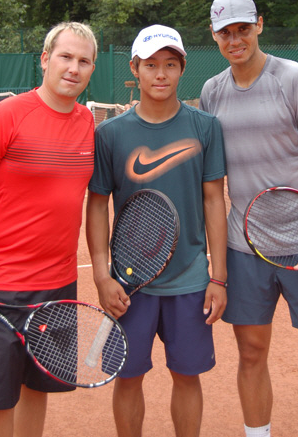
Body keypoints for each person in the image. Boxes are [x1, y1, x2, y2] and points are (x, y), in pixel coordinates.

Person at [199, 0, 298, 437]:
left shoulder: (295, 79)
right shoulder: (212, 92)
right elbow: (212, 181)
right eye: (225, 32)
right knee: (250, 354)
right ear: (214, 36)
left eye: (243, 28)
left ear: (259, 24)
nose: (235, 39)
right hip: (245, 250)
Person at [0, 22, 97, 437]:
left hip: (59, 286)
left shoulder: (88, 123)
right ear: (45, 60)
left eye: (84, 61)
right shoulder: (6, 117)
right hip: (0, 288)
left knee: (38, 388)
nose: (74, 68)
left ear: (91, 70)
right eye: (65, 57)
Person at [86, 24, 228, 437]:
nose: (160, 74)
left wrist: (218, 276)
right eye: (151, 65)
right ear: (136, 69)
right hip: (130, 284)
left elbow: (214, 201)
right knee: (128, 379)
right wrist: (101, 274)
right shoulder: (110, 134)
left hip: (190, 281)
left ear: (182, 68)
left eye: (170, 64)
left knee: (187, 377)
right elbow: (96, 205)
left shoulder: (205, 127)